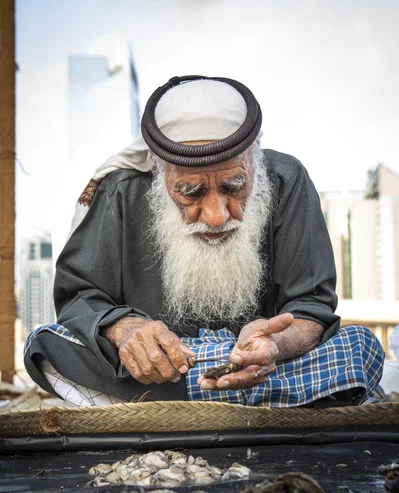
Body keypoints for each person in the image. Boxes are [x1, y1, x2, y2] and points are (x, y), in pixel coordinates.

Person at [24, 75, 384, 407]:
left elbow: (311, 307)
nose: (217, 215)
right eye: (190, 191)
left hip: (259, 368)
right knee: (47, 345)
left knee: (358, 348)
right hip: (155, 371)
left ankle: (157, 405)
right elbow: (79, 296)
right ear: (159, 171)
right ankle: (260, 401)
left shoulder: (287, 179)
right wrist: (124, 329)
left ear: (254, 157)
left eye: (234, 186)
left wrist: (274, 346)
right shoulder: (120, 191)